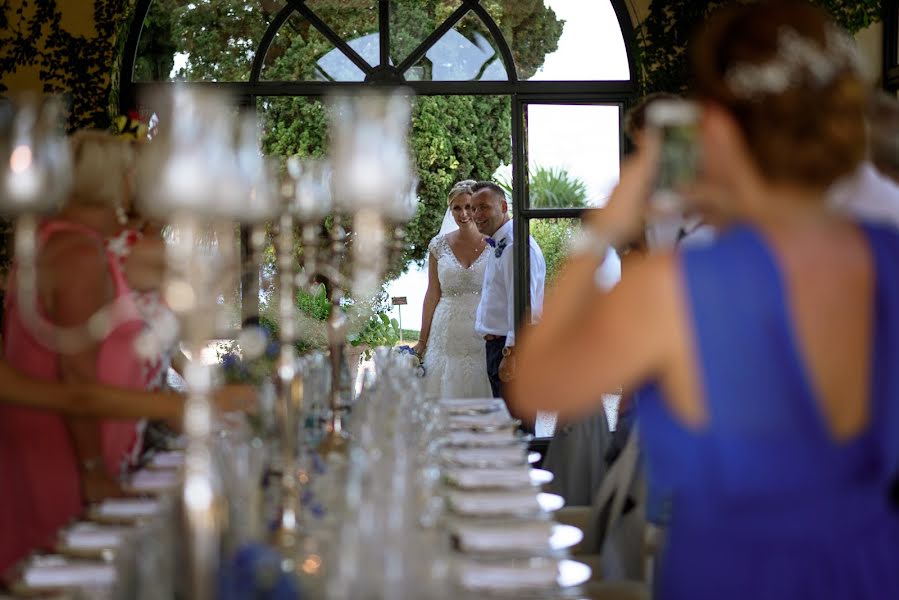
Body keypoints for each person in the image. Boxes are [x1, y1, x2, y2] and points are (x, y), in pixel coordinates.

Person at [511, 3, 899, 598]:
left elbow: (537, 386)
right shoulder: (887, 255)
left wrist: (603, 231)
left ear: (715, 125)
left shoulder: (683, 284)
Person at [471, 181, 546, 412]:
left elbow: (524, 306)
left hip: (511, 348)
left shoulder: (515, 245)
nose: (476, 215)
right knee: (507, 424)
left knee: (516, 427)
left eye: (483, 207)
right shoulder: (499, 243)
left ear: (503, 206)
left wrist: (511, 353)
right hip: (498, 346)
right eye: (474, 209)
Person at [414, 180, 492, 399]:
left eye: (468, 206)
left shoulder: (495, 243)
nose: (463, 213)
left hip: (482, 331)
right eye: (456, 208)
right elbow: (432, 294)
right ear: (450, 211)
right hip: (445, 332)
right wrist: (422, 340)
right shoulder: (438, 246)